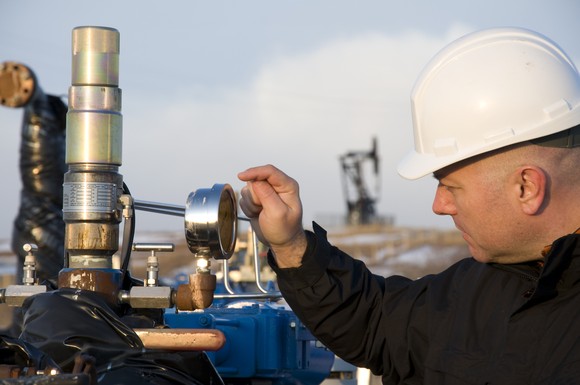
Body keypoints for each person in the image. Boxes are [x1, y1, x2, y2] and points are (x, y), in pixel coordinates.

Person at [237, 27, 580, 384]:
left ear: (526, 187)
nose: (439, 205)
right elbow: (373, 322)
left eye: (451, 187)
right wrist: (290, 244)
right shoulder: (477, 287)